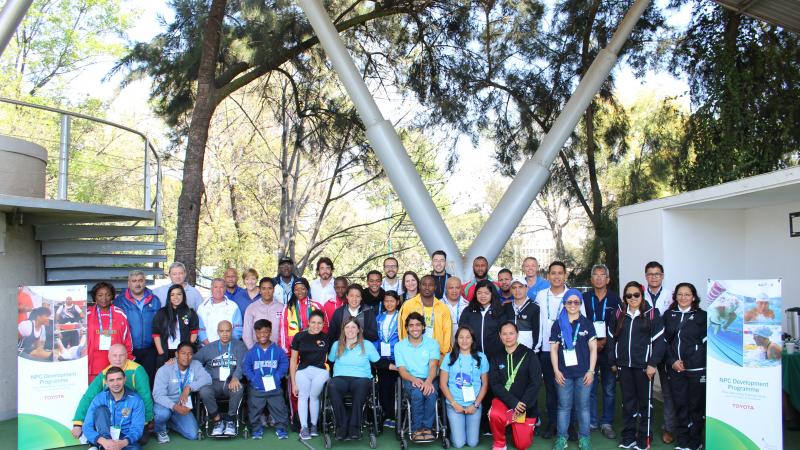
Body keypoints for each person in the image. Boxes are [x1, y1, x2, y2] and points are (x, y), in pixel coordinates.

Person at [607, 281, 665, 450]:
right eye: (628, 295)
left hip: (644, 367)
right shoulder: (619, 314)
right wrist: (613, 361)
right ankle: (628, 437)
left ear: (642, 295)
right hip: (624, 367)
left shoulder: (652, 314)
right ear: (624, 298)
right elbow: (611, 339)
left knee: (645, 404)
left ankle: (644, 439)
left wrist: (652, 364)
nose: (632, 298)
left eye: (636, 295)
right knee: (628, 403)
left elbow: (660, 342)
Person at [535, 261, 584, 439]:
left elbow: (581, 322)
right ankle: (553, 425)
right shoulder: (540, 295)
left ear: (565, 275)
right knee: (551, 390)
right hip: (547, 350)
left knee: (568, 390)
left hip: (569, 351)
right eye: (553, 273)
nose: (556, 276)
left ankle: (570, 427)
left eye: (560, 273)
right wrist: (539, 346)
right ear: (548, 276)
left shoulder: (573, 295)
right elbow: (539, 323)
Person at [72, 344, 154, 444]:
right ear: (109, 357)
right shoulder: (104, 373)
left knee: (141, 439)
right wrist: (78, 423)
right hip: (110, 418)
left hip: (131, 416)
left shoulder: (137, 371)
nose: (118, 359)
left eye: (121, 355)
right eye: (114, 355)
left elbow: (145, 396)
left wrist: (146, 421)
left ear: (127, 355)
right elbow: (88, 397)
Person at [550, 289, 597, 450]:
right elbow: (554, 350)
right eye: (569, 302)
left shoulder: (586, 323)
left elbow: (593, 349)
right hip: (564, 374)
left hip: (584, 374)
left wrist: (591, 370)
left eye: (576, 302)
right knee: (563, 407)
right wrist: (556, 371)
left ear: (580, 304)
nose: (572, 305)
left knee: (583, 407)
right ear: (564, 304)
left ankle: (584, 438)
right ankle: (562, 438)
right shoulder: (558, 324)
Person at [663, 283, 707, 450]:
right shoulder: (669, 315)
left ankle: (695, 441)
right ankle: (683, 440)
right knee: (680, 405)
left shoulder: (702, 316)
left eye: (687, 294)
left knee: (695, 406)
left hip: (696, 369)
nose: (683, 297)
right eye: (680, 294)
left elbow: (705, 344)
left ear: (693, 297)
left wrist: (687, 363)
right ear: (675, 296)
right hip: (675, 369)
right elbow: (664, 342)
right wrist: (673, 361)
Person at [488, 321, 542, 450]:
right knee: (494, 414)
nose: (508, 337)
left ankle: (519, 423)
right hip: (504, 402)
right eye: (504, 334)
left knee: (522, 445)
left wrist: (522, 404)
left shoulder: (529, 354)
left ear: (517, 334)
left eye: (511, 333)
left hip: (524, 406)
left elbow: (535, 383)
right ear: (500, 336)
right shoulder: (496, 356)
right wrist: (513, 402)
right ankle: (499, 443)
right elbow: (495, 384)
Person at [581, 264, 619, 439]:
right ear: (591, 279)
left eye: (602, 275)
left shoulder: (615, 299)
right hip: (589, 349)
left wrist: (605, 341)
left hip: (609, 350)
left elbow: (620, 325)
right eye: (595, 275)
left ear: (608, 279)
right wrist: (593, 342)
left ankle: (607, 422)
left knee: (609, 388)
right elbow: (580, 321)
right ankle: (592, 421)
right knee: (590, 386)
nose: (598, 278)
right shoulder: (584, 298)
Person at [328, 318, 380, 441]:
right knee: (332, 386)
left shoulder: (367, 344)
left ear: (358, 330)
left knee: (361, 387)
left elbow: (378, 362)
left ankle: (354, 426)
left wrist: (395, 367)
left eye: (353, 327)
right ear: (343, 330)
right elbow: (329, 361)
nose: (350, 330)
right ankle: (342, 424)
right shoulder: (337, 345)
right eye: (347, 327)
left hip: (361, 378)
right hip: (340, 377)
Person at [195, 320, 247, 437]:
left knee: (238, 388)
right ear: (218, 332)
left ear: (232, 331)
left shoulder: (240, 346)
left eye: (227, 331)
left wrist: (235, 377)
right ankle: (217, 420)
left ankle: (230, 420)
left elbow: (242, 364)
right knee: (204, 391)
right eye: (222, 331)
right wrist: (203, 376)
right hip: (213, 382)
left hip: (231, 382)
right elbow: (194, 362)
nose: (225, 334)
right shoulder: (209, 348)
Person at [440, 326, 489, 448]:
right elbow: (442, 384)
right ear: (456, 340)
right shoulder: (449, 357)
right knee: (459, 444)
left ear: (472, 340)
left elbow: (485, 384)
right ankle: (455, 433)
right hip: (454, 404)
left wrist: (476, 405)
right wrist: (454, 403)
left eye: (468, 337)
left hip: (474, 405)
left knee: (472, 443)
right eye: (461, 337)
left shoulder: (481, 357)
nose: (464, 340)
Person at [152, 342, 212, 443]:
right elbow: (157, 395)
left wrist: (189, 387)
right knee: (162, 414)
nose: (187, 357)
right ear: (176, 354)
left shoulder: (195, 365)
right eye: (183, 353)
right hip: (165, 404)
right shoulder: (165, 370)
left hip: (182, 404)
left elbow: (207, 379)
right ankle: (160, 430)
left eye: (190, 354)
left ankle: (169, 422)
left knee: (193, 435)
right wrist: (175, 407)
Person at [642, 261, 675, 444]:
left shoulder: (671, 296)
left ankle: (668, 428)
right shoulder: (639, 295)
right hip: (644, 350)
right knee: (643, 392)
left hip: (666, 349)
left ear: (662, 276)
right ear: (646, 276)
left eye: (657, 274)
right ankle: (644, 428)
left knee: (667, 392)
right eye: (650, 274)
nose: (654, 277)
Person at [395, 311, 441, 442]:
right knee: (417, 395)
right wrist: (414, 379)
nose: (415, 328)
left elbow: (433, 366)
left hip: (429, 377)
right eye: (411, 325)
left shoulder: (433, 343)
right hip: (410, 378)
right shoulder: (400, 346)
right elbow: (402, 370)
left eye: (418, 325)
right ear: (407, 328)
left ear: (423, 327)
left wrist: (428, 381)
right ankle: (416, 429)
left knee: (431, 393)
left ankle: (426, 428)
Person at [244, 319, 290, 439]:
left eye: (266, 332)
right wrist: (253, 379)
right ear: (255, 333)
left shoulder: (278, 351)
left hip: (274, 387)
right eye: (259, 332)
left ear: (270, 332)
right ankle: (256, 429)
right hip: (257, 388)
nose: (262, 335)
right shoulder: (251, 352)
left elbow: (284, 363)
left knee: (279, 408)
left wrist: (277, 376)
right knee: (254, 409)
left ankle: (281, 428)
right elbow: (246, 367)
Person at [113, 270, 162, 384]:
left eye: (140, 280)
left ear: (144, 282)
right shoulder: (119, 301)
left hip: (150, 349)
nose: (137, 284)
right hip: (129, 350)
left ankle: (147, 402)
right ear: (129, 283)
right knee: (130, 381)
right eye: (134, 281)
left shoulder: (154, 300)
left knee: (148, 381)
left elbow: (160, 325)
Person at [82, 366, 146, 450]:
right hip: (104, 438)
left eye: (119, 379)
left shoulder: (135, 400)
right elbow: (87, 426)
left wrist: (123, 442)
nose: (116, 383)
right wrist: (103, 441)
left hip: (124, 438)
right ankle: (100, 446)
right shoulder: (99, 398)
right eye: (111, 380)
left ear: (124, 379)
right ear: (106, 383)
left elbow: (137, 428)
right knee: (101, 410)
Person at [290, 310, 329, 440]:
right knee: (303, 396)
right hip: (303, 371)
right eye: (313, 322)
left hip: (321, 371)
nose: (316, 325)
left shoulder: (326, 337)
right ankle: (304, 427)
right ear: (308, 322)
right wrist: (294, 383)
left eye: (319, 323)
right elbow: (293, 360)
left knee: (314, 396)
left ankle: (314, 425)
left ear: (323, 323)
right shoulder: (299, 336)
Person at [86, 282, 132, 382]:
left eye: (108, 294)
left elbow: (127, 340)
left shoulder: (120, 314)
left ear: (112, 296)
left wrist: (127, 360)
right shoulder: (87, 315)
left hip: (115, 362)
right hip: (93, 364)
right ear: (94, 297)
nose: (104, 298)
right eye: (100, 295)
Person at [399, 274, 452, 359]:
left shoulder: (443, 307)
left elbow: (447, 332)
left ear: (435, 287)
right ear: (419, 286)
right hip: (413, 354)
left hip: (436, 355)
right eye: (424, 284)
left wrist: (443, 354)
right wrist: (407, 351)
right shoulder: (408, 305)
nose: (427, 288)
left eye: (430, 285)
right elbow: (403, 330)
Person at [151, 284, 199, 368]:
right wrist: (161, 352)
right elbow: (156, 334)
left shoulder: (190, 313)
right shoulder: (161, 313)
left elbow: (194, 332)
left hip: (184, 354)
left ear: (183, 296)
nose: (175, 297)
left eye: (179, 294)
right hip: (165, 353)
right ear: (169, 297)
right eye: (172, 295)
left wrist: (186, 351)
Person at [374, 291, 401, 428]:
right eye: (386, 301)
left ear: (397, 302)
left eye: (392, 301)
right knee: (385, 387)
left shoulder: (401, 317)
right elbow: (376, 338)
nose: (389, 303)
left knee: (399, 387)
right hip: (383, 359)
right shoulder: (379, 317)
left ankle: (399, 414)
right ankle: (388, 414)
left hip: (398, 357)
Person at [459, 279, 505, 359]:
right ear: (475, 294)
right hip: (473, 356)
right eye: (479, 293)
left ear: (492, 294)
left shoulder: (500, 311)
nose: (482, 296)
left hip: (496, 357)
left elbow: (504, 333)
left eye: (486, 293)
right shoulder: (468, 311)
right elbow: (462, 332)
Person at [280, 277, 326, 353]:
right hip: (295, 349)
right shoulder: (288, 308)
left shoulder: (316, 306)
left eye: (303, 289)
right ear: (293, 291)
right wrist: (286, 350)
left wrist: (322, 345)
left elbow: (324, 327)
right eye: (296, 290)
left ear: (307, 289)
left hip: (315, 348)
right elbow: (283, 330)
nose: (300, 292)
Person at [197, 278, 244, 345]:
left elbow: (238, 328)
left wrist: (227, 344)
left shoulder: (233, 306)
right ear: (211, 289)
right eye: (216, 287)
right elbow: (200, 329)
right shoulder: (202, 307)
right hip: (207, 347)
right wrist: (210, 346)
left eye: (221, 287)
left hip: (228, 346)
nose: (218, 290)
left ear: (225, 289)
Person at [243, 277, 284, 348]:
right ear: (260, 290)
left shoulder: (281, 308)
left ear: (273, 290)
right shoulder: (252, 308)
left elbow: (285, 331)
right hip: (257, 350)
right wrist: (253, 351)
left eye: (270, 288)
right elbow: (246, 334)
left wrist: (280, 351)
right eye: (264, 288)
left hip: (277, 350)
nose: (267, 291)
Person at [502, 276, 540, 351]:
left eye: (520, 287)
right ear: (510, 290)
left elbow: (538, 332)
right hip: (509, 351)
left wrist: (534, 350)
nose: (517, 290)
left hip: (529, 352)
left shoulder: (535, 307)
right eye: (514, 287)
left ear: (526, 288)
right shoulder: (506, 307)